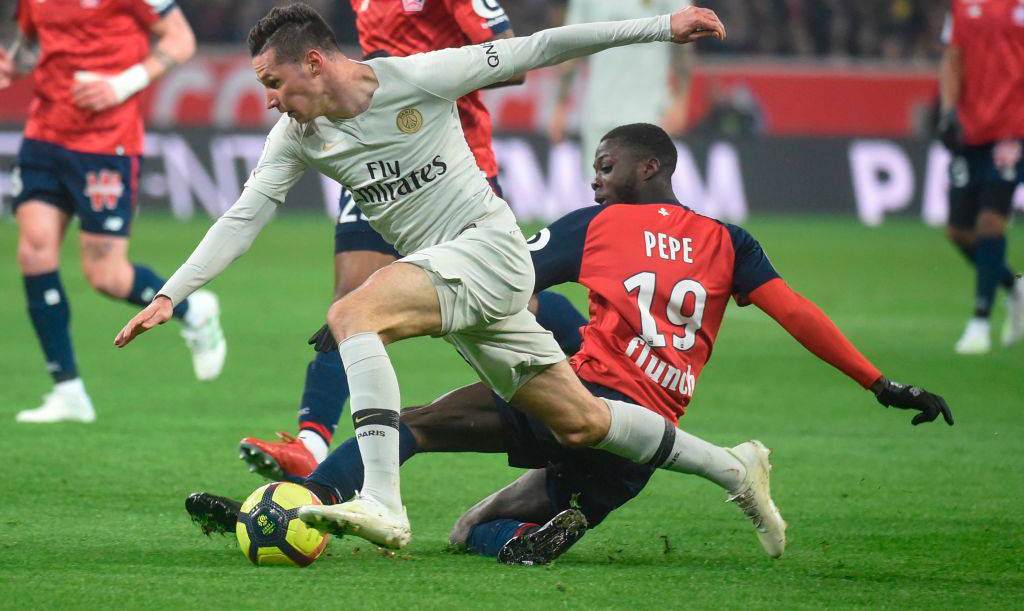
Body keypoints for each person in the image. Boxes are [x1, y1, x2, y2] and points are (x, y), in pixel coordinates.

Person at [187, 124, 953, 565]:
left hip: (577, 399)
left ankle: (294, 504)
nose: (595, 180)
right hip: (639, 454)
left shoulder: (600, 226)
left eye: (607, 166)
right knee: (541, 351)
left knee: (427, 432)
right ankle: (551, 524)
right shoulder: (731, 242)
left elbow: (492, 271)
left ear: (649, 166)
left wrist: (379, 305)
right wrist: (879, 382)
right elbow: (800, 315)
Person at [116, 1, 731, 551]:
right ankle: (734, 468)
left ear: (313, 63)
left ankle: (381, 502)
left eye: (274, 83)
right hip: (455, 288)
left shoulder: (414, 79)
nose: (270, 99)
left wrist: (660, 27)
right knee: (583, 421)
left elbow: (537, 47)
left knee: (354, 313)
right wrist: (173, 292)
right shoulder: (297, 138)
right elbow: (241, 218)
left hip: (489, 250)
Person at [238, 0, 587, 477]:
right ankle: (310, 443)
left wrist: (416, 80)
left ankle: (586, 348)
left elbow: (512, 59)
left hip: (447, 162)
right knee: (349, 300)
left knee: (510, 307)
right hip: (374, 161)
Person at [0, 0, 225, 424]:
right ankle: (68, 390)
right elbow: (33, 42)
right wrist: (13, 66)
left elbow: (180, 38)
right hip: (45, 134)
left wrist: (122, 84)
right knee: (33, 248)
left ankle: (193, 310)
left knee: (105, 275)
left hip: (107, 143)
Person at [938, 0, 1024, 355]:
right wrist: (948, 111)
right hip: (971, 129)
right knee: (958, 230)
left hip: (1014, 130)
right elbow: (952, 58)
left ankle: (978, 322)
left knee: (992, 223)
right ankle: (1014, 286)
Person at [548, 0, 695, 164]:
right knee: (603, 196)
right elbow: (571, 49)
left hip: (652, 115)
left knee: (647, 197)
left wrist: (681, 102)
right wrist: (559, 106)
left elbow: (684, 49)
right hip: (599, 115)